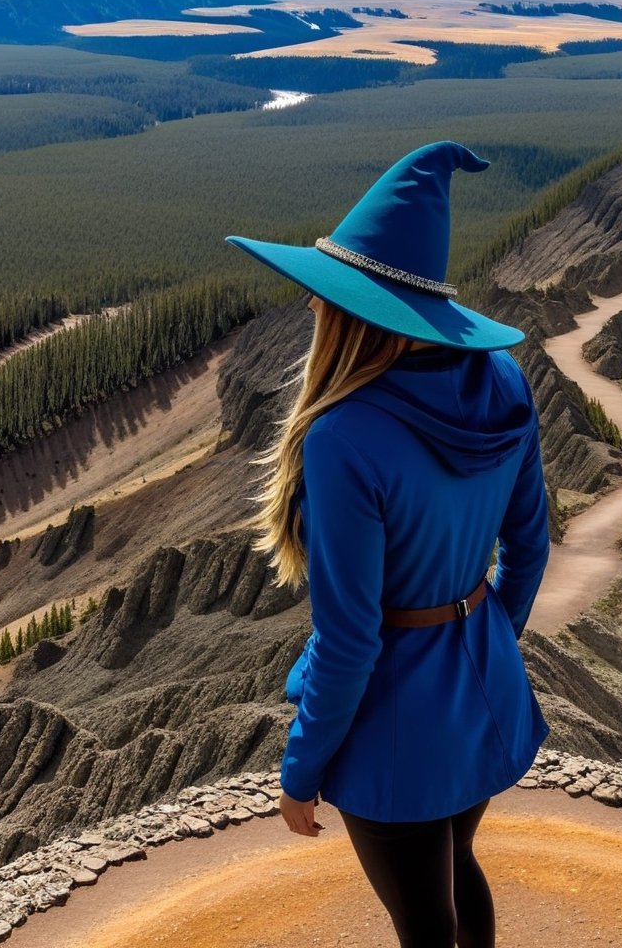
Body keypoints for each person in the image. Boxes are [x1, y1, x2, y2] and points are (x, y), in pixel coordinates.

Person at [224, 141, 552, 948]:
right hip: (479, 695)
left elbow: (350, 638)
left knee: (419, 921)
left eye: (324, 294)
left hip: (393, 722)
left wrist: (299, 774)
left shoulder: (345, 435)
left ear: (357, 312)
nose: (311, 308)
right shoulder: (504, 382)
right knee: (459, 869)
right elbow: (531, 548)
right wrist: (479, 641)